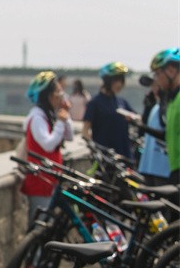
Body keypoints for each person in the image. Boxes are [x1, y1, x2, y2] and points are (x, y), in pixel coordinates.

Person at [21, 71, 74, 226]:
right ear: (48, 96)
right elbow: (48, 144)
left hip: (50, 179)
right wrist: (60, 122)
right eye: (58, 92)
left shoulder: (49, 115)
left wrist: (65, 116)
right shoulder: (37, 118)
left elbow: (69, 136)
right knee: (40, 224)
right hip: (40, 181)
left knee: (48, 224)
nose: (61, 96)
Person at [83, 61, 135, 158]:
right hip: (106, 158)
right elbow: (85, 130)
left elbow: (138, 118)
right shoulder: (94, 103)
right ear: (108, 81)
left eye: (122, 81)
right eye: (117, 81)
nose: (120, 84)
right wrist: (95, 150)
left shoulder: (122, 102)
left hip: (125, 155)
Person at [149, 48, 180, 185]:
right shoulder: (172, 100)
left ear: (171, 71)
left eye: (158, 74)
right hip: (174, 170)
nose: (156, 79)